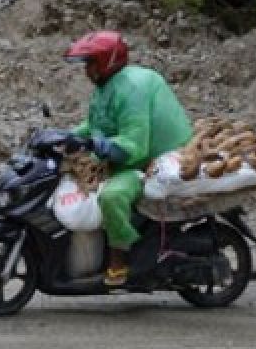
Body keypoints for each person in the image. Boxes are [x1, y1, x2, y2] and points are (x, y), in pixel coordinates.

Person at [65, 30, 193, 286]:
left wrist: (100, 146)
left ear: (105, 62)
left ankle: (119, 263)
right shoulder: (104, 87)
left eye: (90, 63)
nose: (86, 70)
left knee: (111, 196)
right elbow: (96, 123)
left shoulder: (130, 90)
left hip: (149, 162)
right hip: (126, 158)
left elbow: (135, 145)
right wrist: (64, 136)